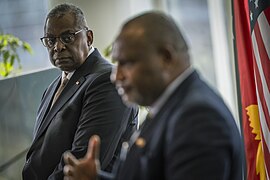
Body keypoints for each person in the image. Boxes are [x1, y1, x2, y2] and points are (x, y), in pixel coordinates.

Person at [63, 11, 243, 180]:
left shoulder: (198, 118)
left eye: (127, 63)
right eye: (117, 64)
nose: (116, 77)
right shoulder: (169, 105)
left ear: (166, 58)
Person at [22, 3, 138, 180]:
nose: (57, 47)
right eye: (51, 40)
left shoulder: (106, 80)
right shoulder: (54, 85)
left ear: (89, 38)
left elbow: (81, 162)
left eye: (67, 37)